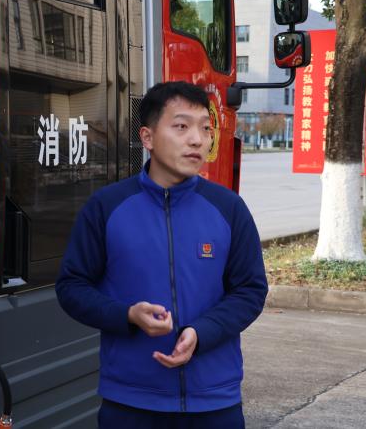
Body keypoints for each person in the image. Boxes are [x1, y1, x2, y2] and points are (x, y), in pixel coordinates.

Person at [56, 81, 268, 428]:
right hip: (130, 400)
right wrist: (127, 315)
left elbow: (250, 290)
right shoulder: (107, 207)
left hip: (214, 401)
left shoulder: (228, 208)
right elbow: (71, 287)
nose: (197, 139)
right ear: (148, 137)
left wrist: (201, 332)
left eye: (206, 128)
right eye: (182, 126)